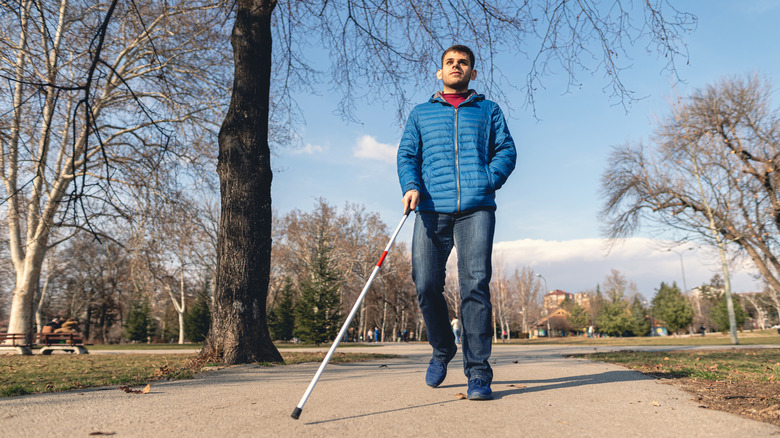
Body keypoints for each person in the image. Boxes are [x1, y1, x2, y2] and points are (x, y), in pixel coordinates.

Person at [397, 44, 516, 401]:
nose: (456, 66)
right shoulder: (421, 113)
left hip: (477, 209)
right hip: (431, 209)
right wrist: (411, 186)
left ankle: (478, 373)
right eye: (449, 62)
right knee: (425, 283)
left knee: (474, 286)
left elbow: (506, 150)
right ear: (440, 71)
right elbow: (407, 155)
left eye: (463, 63)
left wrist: (488, 179)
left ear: (472, 73)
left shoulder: (488, 110)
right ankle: (442, 348)